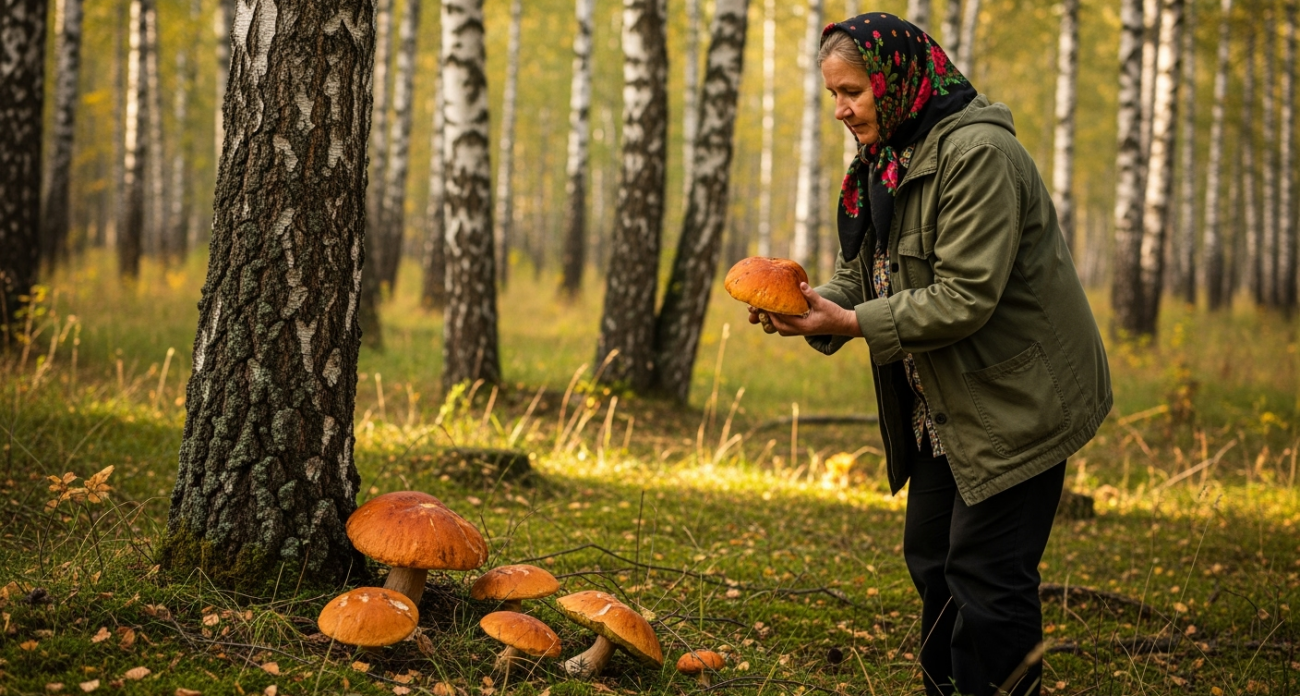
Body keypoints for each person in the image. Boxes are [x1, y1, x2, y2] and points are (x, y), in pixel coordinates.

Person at [747, 13, 1112, 696]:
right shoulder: (889, 156)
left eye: (852, 91)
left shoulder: (977, 155)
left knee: (987, 578)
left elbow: (967, 296)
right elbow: (866, 272)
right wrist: (808, 307)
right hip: (943, 408)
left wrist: (853, 322)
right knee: (934, 563)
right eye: (832, 95)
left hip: (1015, 403)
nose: (840, 110)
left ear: (895, 80)